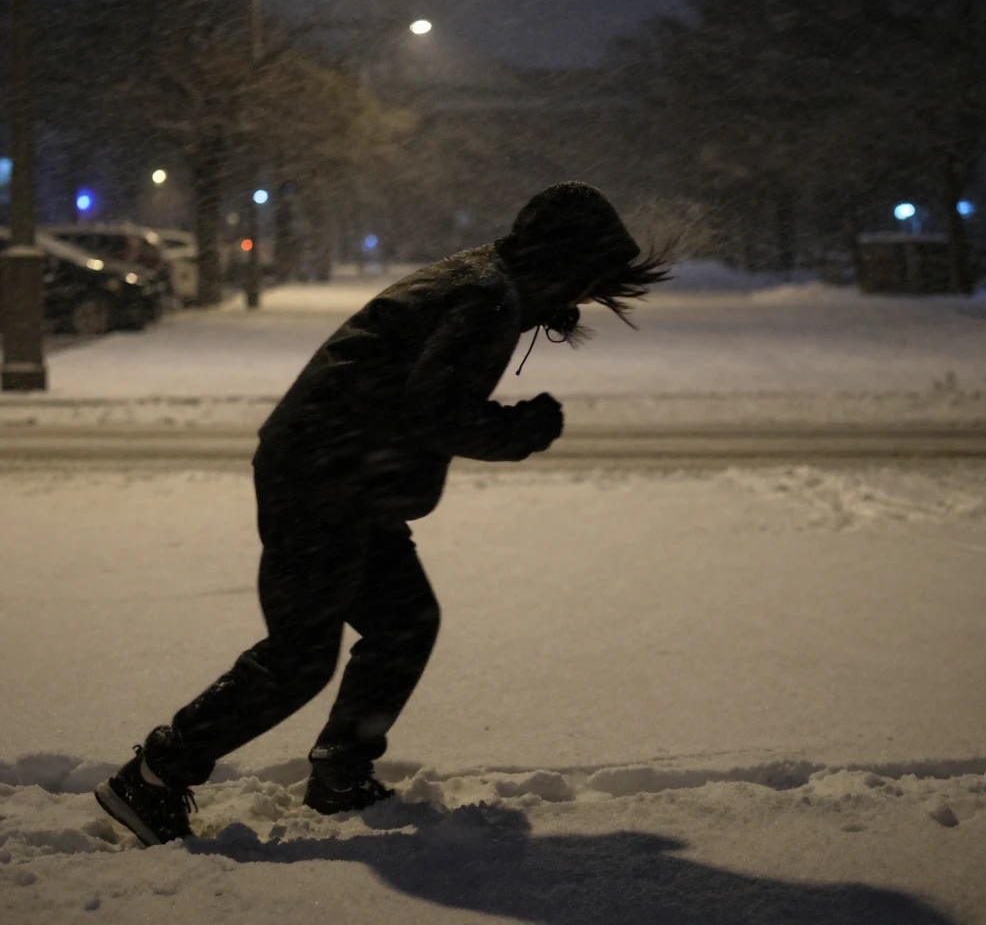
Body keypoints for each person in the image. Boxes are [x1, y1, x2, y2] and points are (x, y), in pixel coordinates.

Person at [94, 181, 671, 846]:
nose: (584, 296)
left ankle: (340, 772)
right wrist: (522, 429)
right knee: (301, 657)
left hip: (347, 477)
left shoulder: (488, 283)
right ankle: (155, 775)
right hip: (324, 478)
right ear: (562, 259)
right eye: (585, 278)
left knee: (403, 622)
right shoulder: (485, 299)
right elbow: (437, 412)